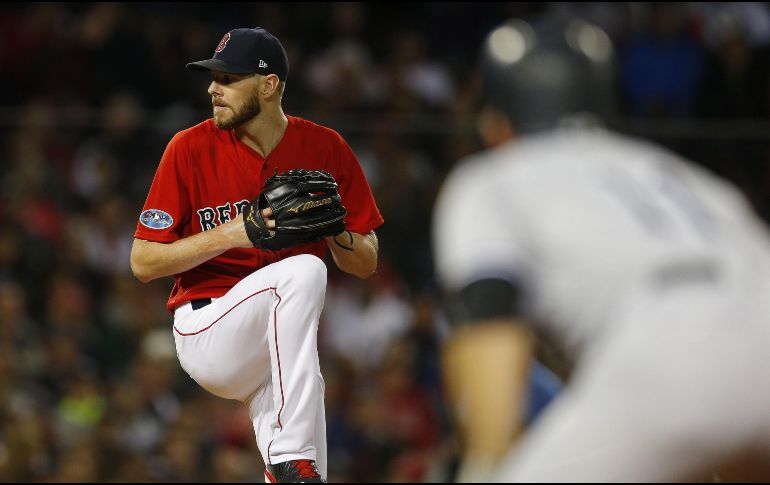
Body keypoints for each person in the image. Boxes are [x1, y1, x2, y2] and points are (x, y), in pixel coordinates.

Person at [433, 15, 770, 482]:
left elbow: (490, 312)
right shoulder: (684, 175)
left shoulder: (491, 178)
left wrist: (488, 461)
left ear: (496, 125)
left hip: (667, 361)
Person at [130, 27, 383, 483]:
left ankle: (289, 465)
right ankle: (288, 451)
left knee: (306, 476)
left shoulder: (326, 148)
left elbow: (364, 262)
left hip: (280, 354)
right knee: (304, 269)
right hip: (209, 327)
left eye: (227, 78)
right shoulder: (188, 148)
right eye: (213, 78)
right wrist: (233, 233)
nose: (213, 88)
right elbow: (143, 262)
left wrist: (335, 227)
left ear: (268, 85)